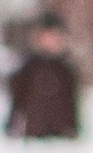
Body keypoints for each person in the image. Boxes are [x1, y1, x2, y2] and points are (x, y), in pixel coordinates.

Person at [5, 11, 79, 139]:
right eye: (44, 37)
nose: (48, 42)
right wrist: (12, 126)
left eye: (52, 37)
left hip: (60, 139)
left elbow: (72, 104)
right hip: (33, 137)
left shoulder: (65, 72)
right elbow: (18, 102)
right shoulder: (29, 70)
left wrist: (74, 129)